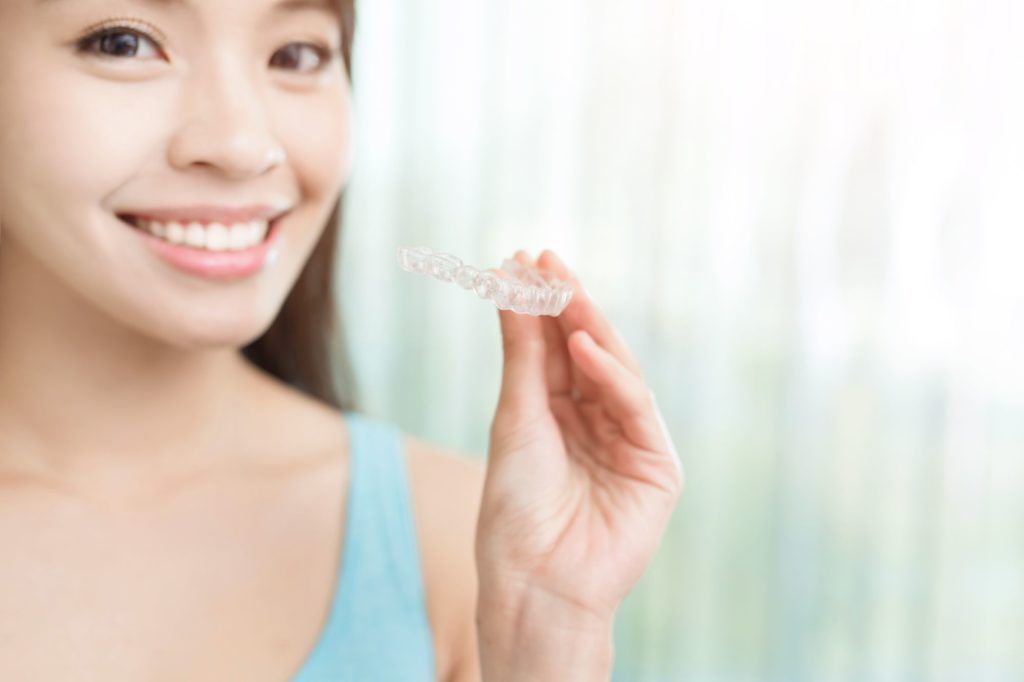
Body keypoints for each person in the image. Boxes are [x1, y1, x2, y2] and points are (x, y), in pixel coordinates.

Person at [0, 0, 684, 679]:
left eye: (296, 54)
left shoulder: (470, 546)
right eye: (121, 43)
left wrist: (549, 631)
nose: (242, 146)